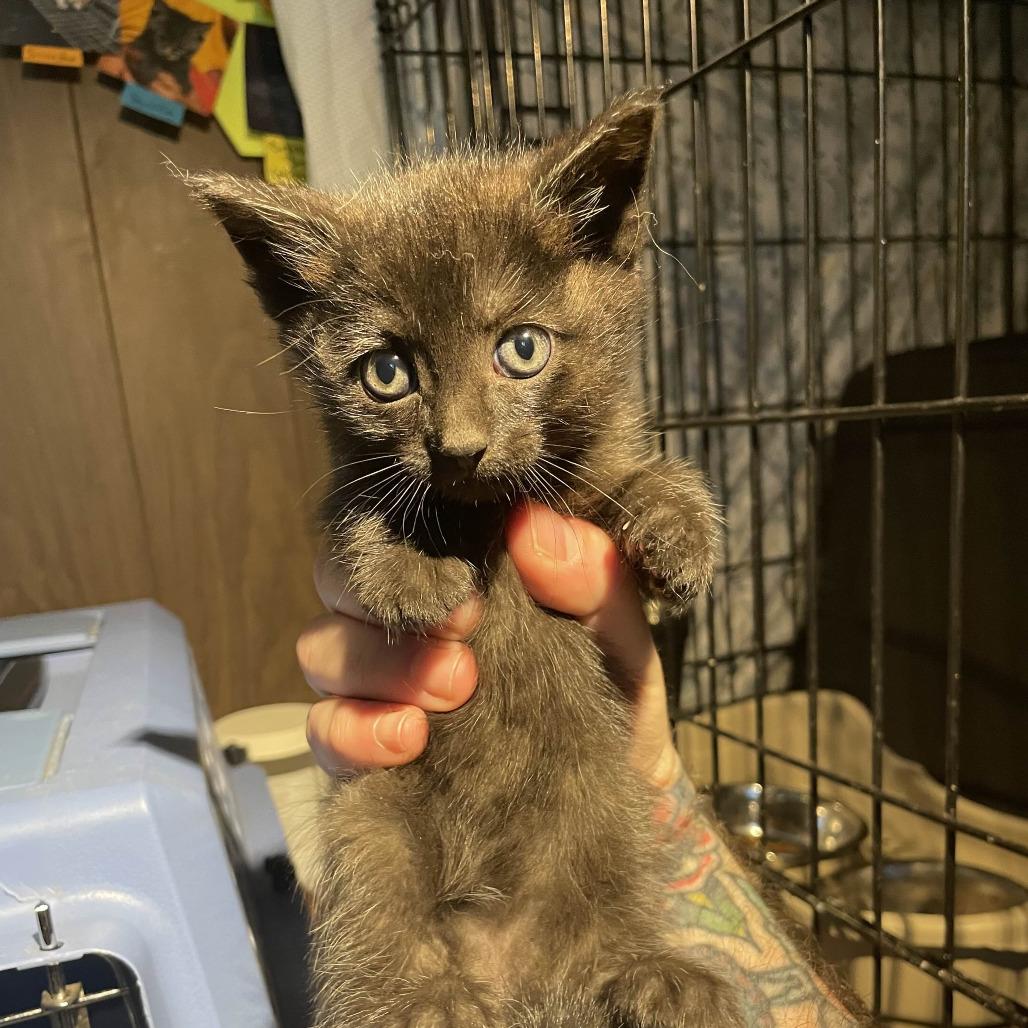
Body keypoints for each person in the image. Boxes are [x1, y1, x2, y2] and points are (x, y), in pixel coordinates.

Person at [297, 501, 866, 1026]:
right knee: (374, 822)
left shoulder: (581, 469)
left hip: (580, 901)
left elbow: (637, 488)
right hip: (430, 917)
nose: (460, 435)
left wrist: (658, 510)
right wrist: (370, 547)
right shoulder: (394, 496)